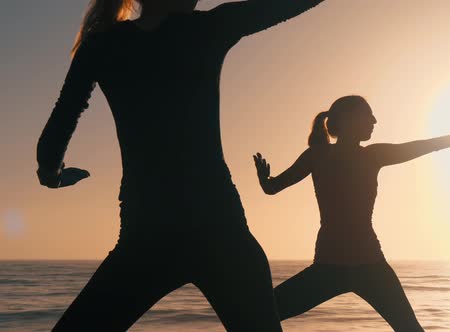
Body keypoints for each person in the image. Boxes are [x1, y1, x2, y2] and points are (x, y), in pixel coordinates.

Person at [36, 0, 325, 331]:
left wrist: (53, 175)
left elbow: (59, 125)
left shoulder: (103, 43)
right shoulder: (209, 27)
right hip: (221, 231)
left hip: (147, 235)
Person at [253, 95, 450, 331]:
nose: (375, 121)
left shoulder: (356, 155)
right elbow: (273, 188)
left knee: (258, 317)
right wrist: (266, 181)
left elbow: (429, 145)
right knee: (259, 316)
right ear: (349, 120)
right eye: (368, 115)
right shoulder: (326, 155)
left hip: (365, 266)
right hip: (337, 268)